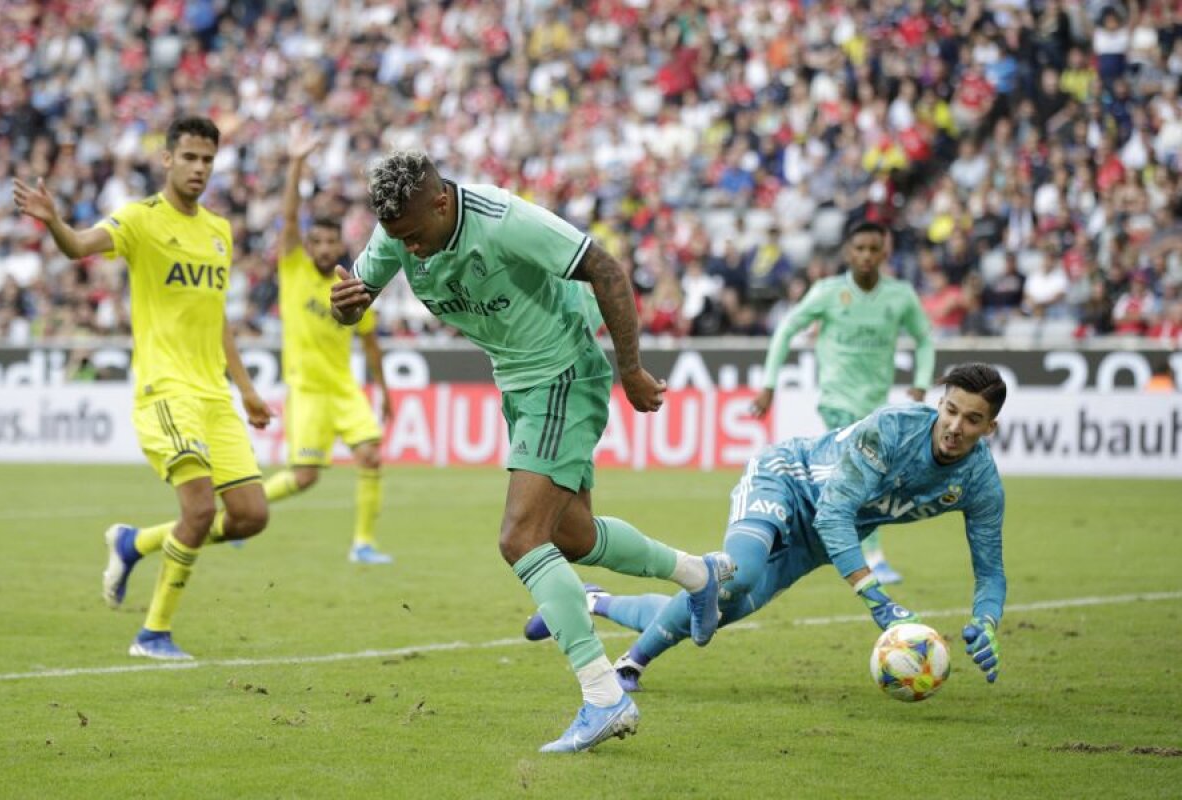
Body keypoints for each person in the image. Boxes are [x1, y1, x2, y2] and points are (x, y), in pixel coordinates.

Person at [330, 151, 735, 754]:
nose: (408, 250)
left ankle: (604, 696)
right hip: (518, 384)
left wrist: (631, 369)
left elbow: (607, 269)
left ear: (442, 202)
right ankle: (697, 574)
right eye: (397, 239)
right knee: (570, 535)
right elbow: (358, 291)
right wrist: (349, 307)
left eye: (415, 236)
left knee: (521, 538)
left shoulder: (504, 220)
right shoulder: (400, 232)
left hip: (563, 377)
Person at [529, 363, 1007, 693]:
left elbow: (991, 572)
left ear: (990, 428)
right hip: (785, 478)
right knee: (739, 573)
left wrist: (986, 621)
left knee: (717, 613)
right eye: (950, 410)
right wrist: (876, 599)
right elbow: (835, 513)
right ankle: (630, 664)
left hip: (819, 541)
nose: (954, 426)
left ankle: (589, 600)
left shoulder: (981, 484)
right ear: (940, 404)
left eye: (972, 420)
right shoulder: (893, 429)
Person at [13, 116, 272, 660]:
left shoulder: (220, 231)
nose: (199, 168)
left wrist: (245, 389)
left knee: (251, 515)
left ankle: (134, 542)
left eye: (207, 159)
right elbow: (79, 247)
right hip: (165, 390)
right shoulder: (140, 219)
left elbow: (217, 315)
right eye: (190, 158)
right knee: (199, 511)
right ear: (168, 160)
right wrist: (55, 222)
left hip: (214, 396)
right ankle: (152, 634)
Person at [750, 221, 935, 584]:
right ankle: (872, 556)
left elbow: (924, 338)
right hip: (836, 398)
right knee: (870, 472)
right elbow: (787, 329)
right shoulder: (828, 292)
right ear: (848, 253)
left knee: (852, 477)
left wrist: (920, 383)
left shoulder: (899, 296)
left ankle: (795, 531)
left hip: (876, 403)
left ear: (884, 252)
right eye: (859, 249)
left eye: (873, 249)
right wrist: (769, 384)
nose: (866, 256)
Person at [261, 122, 394, 564]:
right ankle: (244, 508)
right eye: (313, 240)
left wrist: (386, 392)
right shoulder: (293, 268)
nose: (320, 247)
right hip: (307, 390)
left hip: (342, 388)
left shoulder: (352, 284)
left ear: (340, 243)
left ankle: (363, 544)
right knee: (303, 479)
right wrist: (298, 162)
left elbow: (372, 344)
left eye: (329, 240)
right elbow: (288, 217)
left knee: (371, 455)